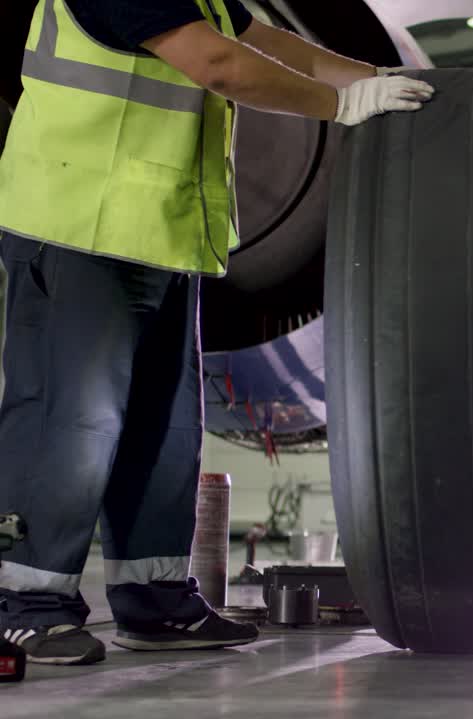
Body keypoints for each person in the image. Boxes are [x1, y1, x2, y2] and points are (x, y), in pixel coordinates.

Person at [0, 0, 432, 666]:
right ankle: (26, 604)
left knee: (164, 429)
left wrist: (372, 78)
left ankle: (155, 599)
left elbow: (271, 44)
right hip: (78, 225)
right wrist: (341, 105)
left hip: (160, 231)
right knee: (72, 424)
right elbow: (221, 65)